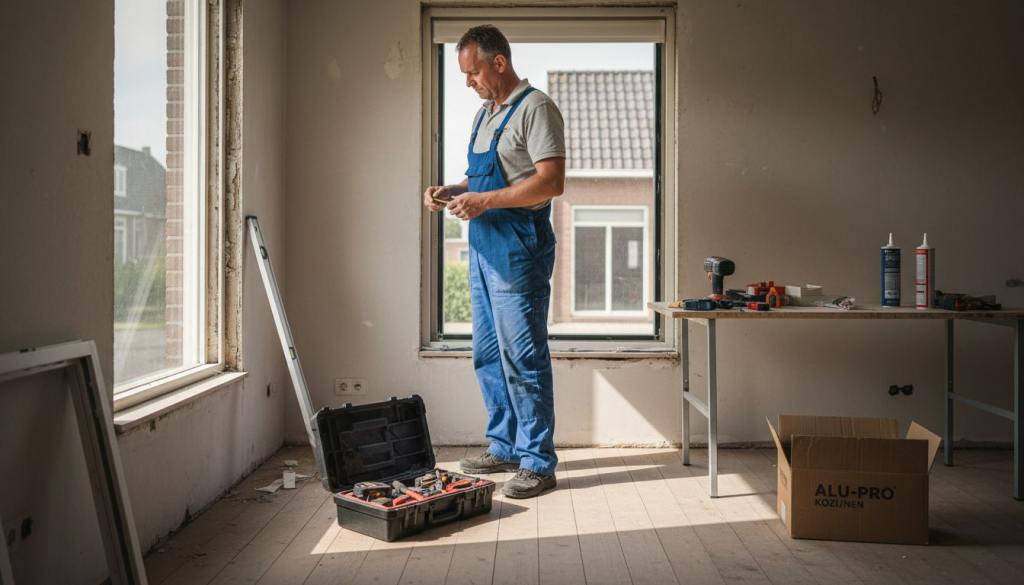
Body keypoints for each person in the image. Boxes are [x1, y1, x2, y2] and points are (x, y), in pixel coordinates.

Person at [422, 25, 565, 499]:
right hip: (484, 250)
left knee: (523, 358)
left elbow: (550, 182)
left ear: (498, 63)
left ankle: (538, 462)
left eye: (473, 72)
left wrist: (485, 202)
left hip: (519, 248)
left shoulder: (536, 108)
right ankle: (504, 444)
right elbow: (477, 179)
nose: (468, 82)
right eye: (463, 75)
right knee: (487, 355)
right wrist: (453, 191)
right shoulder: (486, 114)